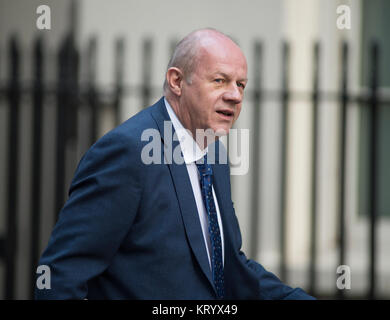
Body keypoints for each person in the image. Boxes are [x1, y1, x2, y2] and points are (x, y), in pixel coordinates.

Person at [35, 28, 315, 300]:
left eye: (240, 84)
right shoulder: (128, 152)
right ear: (177, 82)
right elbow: (60, 276)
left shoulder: (215, 155)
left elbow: (229, 267)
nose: (235, 95)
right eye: (220, 80)